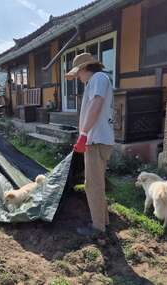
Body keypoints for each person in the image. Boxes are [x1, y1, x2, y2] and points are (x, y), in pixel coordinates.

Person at [65, 53, 115, 236]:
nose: (78, 77)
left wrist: (84, 134)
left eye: (78, 73)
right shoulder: (97, 80)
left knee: (92, 185)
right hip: (98, 140)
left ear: (85, 68)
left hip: (96, 140)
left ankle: (98, 228)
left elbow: (96, 104)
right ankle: (104, 222)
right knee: (97, 183)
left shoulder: (98, 78)